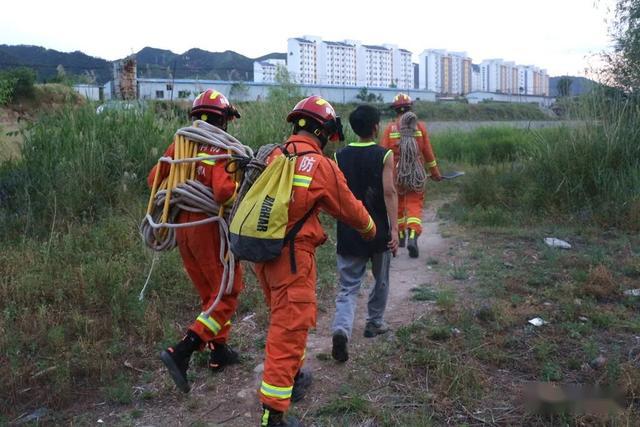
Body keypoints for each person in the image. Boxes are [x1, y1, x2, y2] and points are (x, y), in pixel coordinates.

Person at [255, 95, 376, 427]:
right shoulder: (319, 165)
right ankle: (273, 415)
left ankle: (292, 381)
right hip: (293, 260)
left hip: (263, 257)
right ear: (324, 132)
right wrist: (370, 228)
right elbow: (348, 206)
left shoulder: (274, 155)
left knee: (285, 323)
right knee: (289, 330)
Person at [147, 89, 243, 393]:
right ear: (223, 120)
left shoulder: (181, 144)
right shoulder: (219, 150)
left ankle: (219, 352)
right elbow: (223, 193)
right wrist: (239, 177)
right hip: (208, 227)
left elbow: (154, 180)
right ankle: (183, 350)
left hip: (183, 228)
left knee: (209, 292)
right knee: (226, 292)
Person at [330, 105, 399, 363]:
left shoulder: (339, 157)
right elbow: (389, 192)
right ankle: (374, 323)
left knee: (348, 286)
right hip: (379, 230)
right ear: (375, 127)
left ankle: (341, 329)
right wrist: (394, 227)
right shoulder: (384, 155)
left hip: (350, 229)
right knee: (381, 279)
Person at [381, 93, 442, 258]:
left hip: (396, 175)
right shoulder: (420, 127)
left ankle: (400, 235)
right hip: (416, 175)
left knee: (398, 204)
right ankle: (413, 236)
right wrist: (435, 173)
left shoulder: (390, 129)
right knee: (414, 204)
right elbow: (428, 153)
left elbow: (382, 154)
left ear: (395, 110)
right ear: (410, 108)